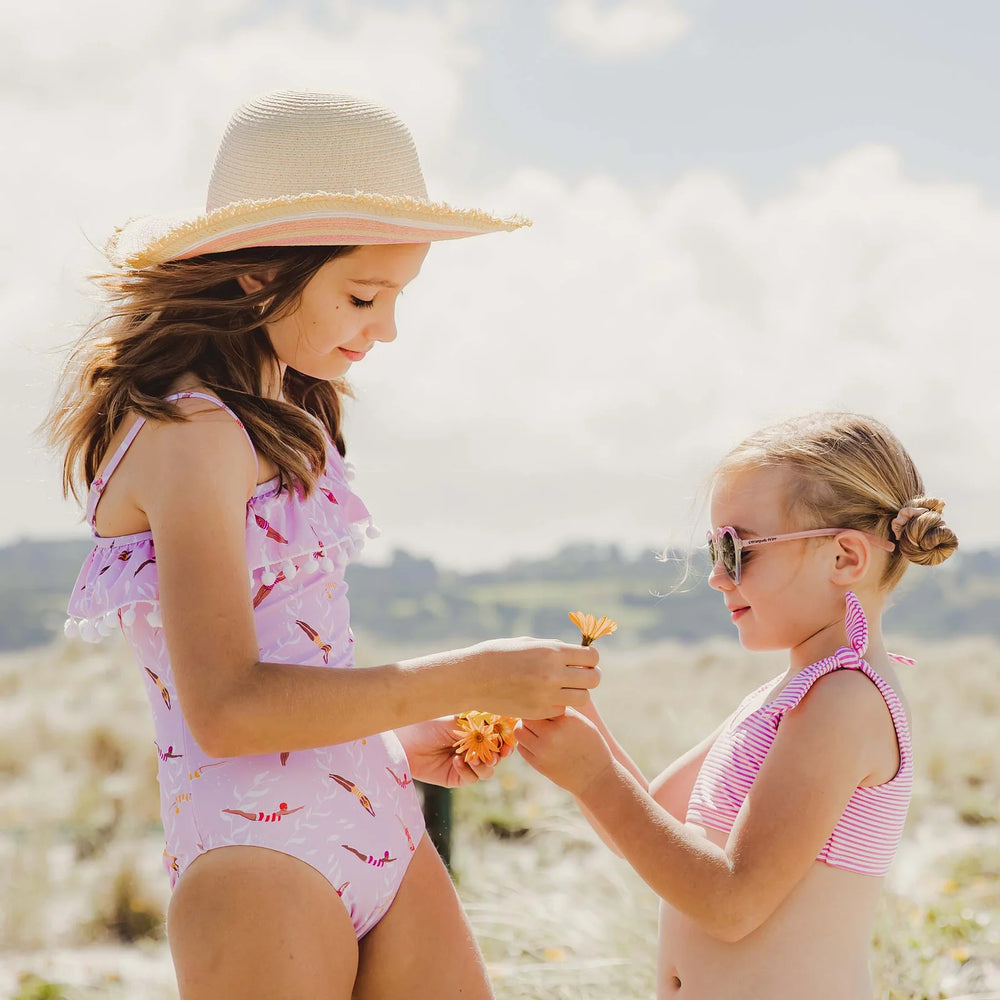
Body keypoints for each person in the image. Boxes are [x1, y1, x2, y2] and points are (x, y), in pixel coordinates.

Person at [47, 90, 600, 1000]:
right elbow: (225, 708)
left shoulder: (281, 415)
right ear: (260, 275)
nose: (385, 328)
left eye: (395, 298)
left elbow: (292, 653)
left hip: (376, 811)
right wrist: (469, 676)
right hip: (261, 859)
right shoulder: (192, 432)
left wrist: (390, 733)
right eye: (363, 295)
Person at [517, 412, 958, 1000]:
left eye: (737, 549)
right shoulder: (787, 694)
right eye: (713, 550)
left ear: (845, 559)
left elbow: (732, 904)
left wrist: (593, 775)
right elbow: (654, 829)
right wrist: (573, 716)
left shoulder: (846, 700)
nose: (718, 578)